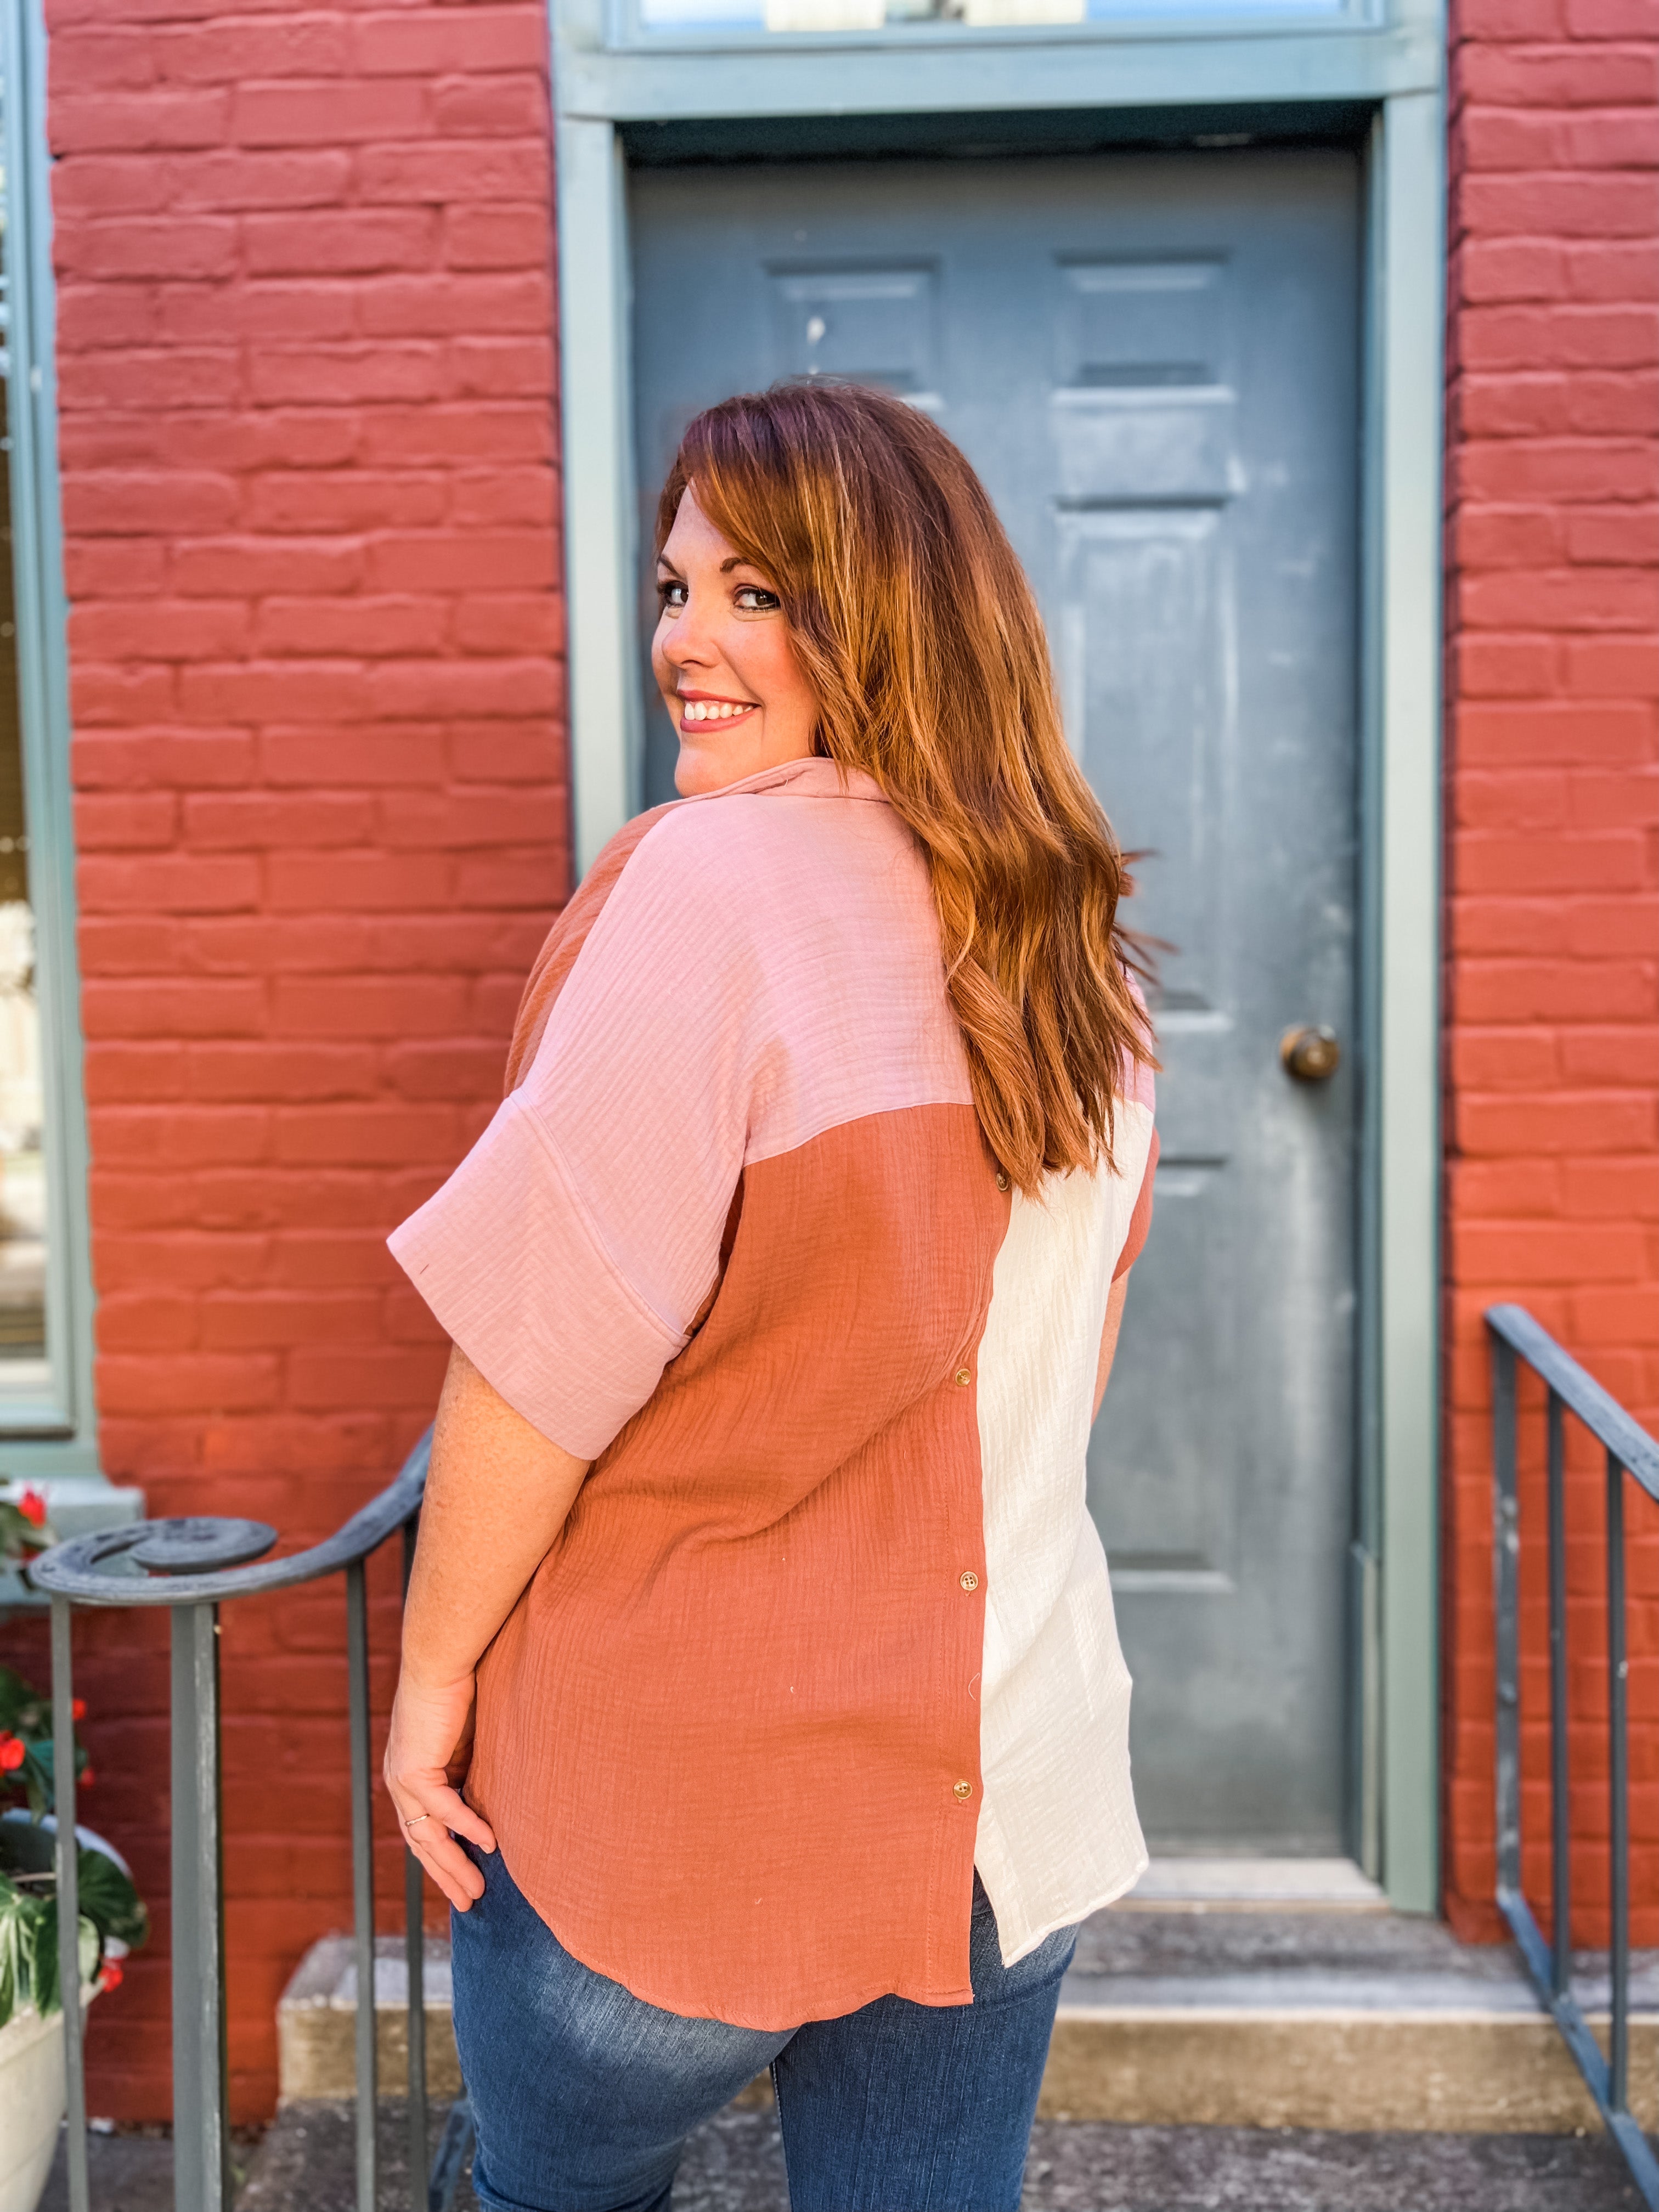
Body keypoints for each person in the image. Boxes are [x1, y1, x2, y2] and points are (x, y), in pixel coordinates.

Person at [382, 381, 1159, 2212]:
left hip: (671, 1813)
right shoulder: (1077, 946)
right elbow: (1048, 1391)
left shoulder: (709, 888)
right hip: (1002, 1788)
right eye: (677, 589)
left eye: (758, 593)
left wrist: (429, 1692)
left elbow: (536, 1361)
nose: (687, 641)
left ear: (890, 613)